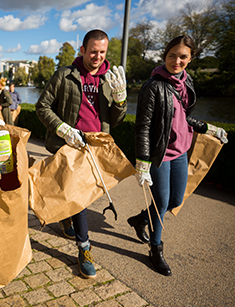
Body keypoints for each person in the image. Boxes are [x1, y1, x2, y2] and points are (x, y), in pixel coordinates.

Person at [128, 35, 228, 276]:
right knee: (162, 203)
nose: (177, 60)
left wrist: (208, 128)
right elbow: (142, 127)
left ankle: (141, 219)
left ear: (191, 58)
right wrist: (142, 161)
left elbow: (182, 116)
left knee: (175, 201)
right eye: (172, 55)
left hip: (182, 152)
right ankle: (156, 249)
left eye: (183, 56)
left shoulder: (186, 82)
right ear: (165, 55)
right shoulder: (152, 86)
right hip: (159, 155)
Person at [35, 29, 127, 279]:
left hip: (96, 146)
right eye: (93, 50)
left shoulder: (110, 79)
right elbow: (41, 106)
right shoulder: (64, 75)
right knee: (81, 198)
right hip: (70, 145)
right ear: (83, 50)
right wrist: (63, 129)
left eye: (102, 51)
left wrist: (120, 100)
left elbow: (116, 120)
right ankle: (84, 248)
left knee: (78, 196)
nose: (97, 56)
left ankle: (67, 219)